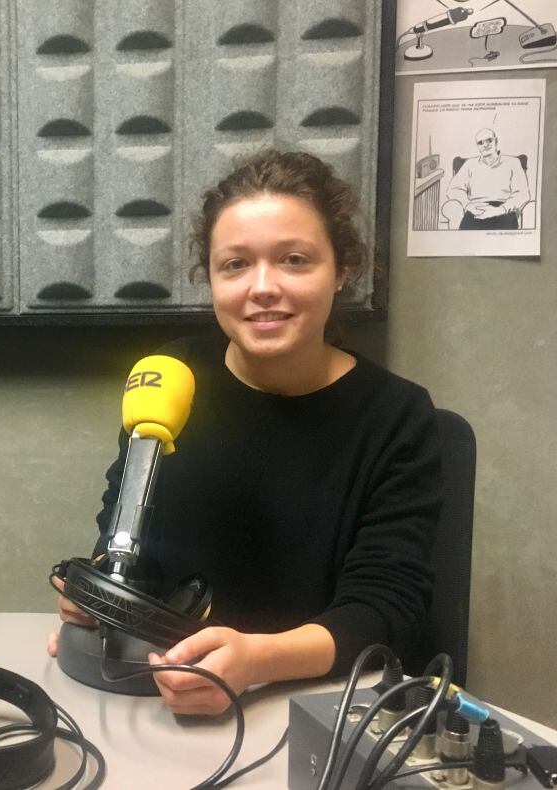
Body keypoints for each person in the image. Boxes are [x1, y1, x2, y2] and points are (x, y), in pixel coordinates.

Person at [49, 150, 442, 715]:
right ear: (209, 277)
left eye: (294, 260)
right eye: (235, 265)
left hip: (317, 703)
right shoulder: (171, 378)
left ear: (342, 270)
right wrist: (99, 606)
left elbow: (387, 604)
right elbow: (123, 524)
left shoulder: (396, 416)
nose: (262, 287)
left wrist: (259, 660)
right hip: (161, 690)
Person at [441, 127, 530, 230]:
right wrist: (468, 205)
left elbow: (523, 194)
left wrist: (500, 210)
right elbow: (453, 189)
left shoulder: (513, 162)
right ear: (477, 146)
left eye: (489, 140)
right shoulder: (470, 164)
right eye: (481, 143)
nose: (485, 145)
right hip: (475, 210)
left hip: (503, 211)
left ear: (496, 141)